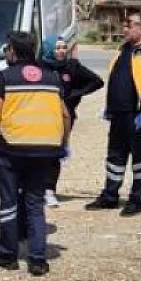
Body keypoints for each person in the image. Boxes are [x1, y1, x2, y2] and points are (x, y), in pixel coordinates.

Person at [0, 31, 71, 276]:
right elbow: (65, 115)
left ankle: (8, 254)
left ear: (12, 50)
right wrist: (64, 142)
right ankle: (38, 259)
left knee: (9, 202)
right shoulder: (52, 77)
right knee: (35, 203)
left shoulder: (4, 77)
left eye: (7, 49)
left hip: (12, 149)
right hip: (44, 150)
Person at [88, 13, 141, 217]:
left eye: (129, 25)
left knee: (140, 159)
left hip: (138, 114)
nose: (125, 28)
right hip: (119, 113)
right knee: (115, 156)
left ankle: (137, 199)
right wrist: (110, 108)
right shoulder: (125, 49)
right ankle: (110, 196)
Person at [41, 35, 104, 206]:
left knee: (55, 153)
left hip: (64, 117)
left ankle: (49, 190)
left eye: (63, 47)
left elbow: (97, 81)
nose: (61, 51)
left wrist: (74, 94)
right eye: (57, 48)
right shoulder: (40, 67)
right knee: (38, 153)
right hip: (41, 117)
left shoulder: (72, 67)